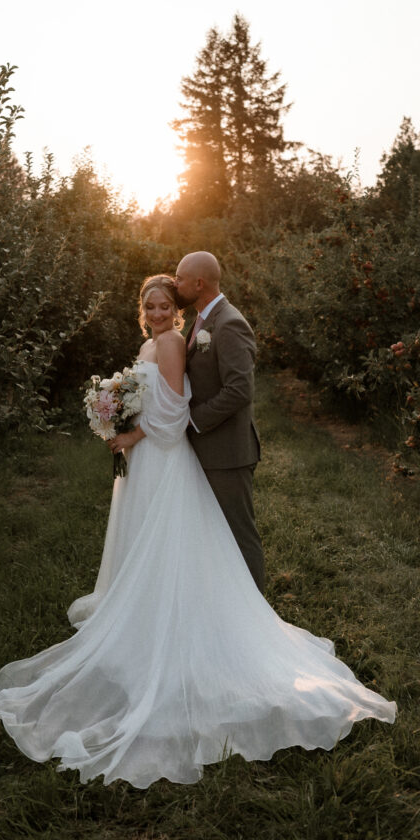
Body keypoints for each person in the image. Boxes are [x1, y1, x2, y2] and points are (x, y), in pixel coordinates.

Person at [0, 274, 396, 788]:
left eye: (164, 304)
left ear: (176, 308)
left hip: (163, 459)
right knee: (144, 548)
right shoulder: (153, 342)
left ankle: (175, 631)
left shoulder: (171, 343)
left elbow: (173, 413)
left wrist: (129, 431)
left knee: (166, 548)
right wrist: (113, 415)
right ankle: (145, 620)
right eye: (148, 304)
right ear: (141, 308)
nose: (155, 311)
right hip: (145, 462)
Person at [173, 251, 264, 591]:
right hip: (209, 449)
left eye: (180, 278)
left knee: (240, 536)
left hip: (228, 452)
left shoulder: (229, 323)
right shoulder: (202, 319)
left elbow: (240, 389)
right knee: (215, 535)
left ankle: (257, 617)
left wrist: (191, 420)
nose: (175, 283)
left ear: (199, 283)